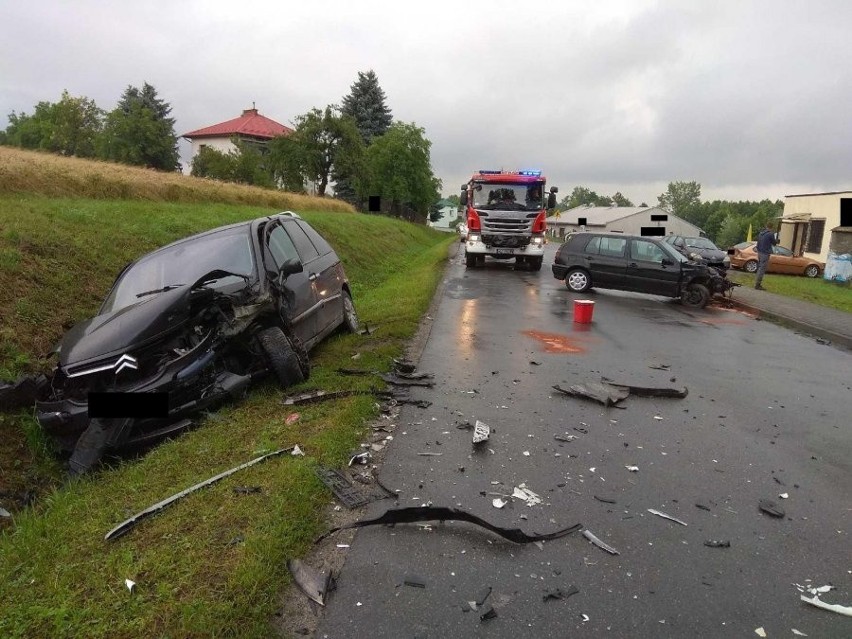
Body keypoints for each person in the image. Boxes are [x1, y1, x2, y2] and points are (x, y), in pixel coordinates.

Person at [754, 223, 778, 290]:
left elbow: (758, 243)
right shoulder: (770, 234)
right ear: (771, 227)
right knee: (762, 269)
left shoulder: (761, 234)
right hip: (765, 253)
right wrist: (777, 240)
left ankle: (757, 283)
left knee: (759, 268)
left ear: (766, 226)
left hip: (759, 253)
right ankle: (757, 285)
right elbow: (774, 243)